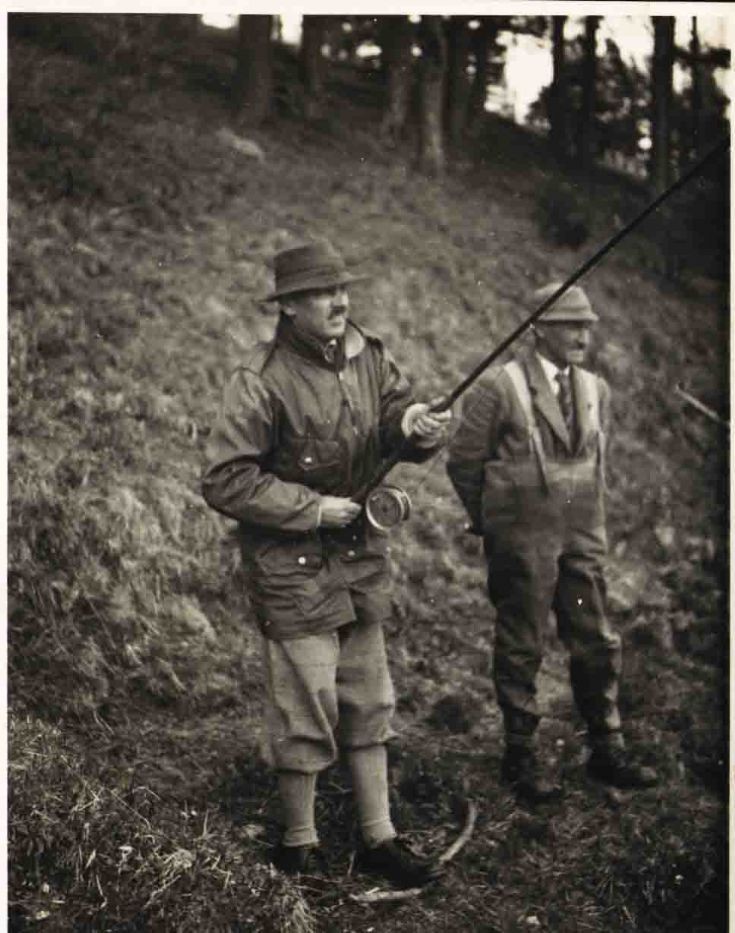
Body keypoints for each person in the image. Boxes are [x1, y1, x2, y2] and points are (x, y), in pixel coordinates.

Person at [202, 239, 451, 886]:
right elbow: (225, 480)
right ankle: (298, 845)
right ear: (287, 306)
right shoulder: (258, 379)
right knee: (304, 702)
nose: (339, 301)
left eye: (342, 289)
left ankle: (379, 836)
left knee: (369, 698)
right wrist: (312, 509)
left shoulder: (369, 355)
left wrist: (415, 424)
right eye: (320, 293)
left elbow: (393, 417)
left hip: (360, 559)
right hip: (291, 566)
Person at [446, 282, 657, 805]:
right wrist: (492, 521)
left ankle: (607, 747)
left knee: (595, 634)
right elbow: (463, 462)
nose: (582, 334)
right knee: (523, 642)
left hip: (580, 536)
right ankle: (520, 754)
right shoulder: (500, 386)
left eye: (587, 325)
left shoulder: (595, 389)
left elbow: (594, 464)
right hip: (523, 541)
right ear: (538, 327)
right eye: (569, 324)